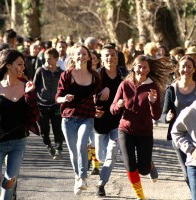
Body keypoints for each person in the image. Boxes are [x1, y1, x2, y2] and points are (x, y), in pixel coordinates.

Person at [110, 55, 171, 200]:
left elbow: (156, 116)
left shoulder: (152, 86)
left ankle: (148, 164)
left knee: (143, 169)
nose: (141, 70)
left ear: (149, 69)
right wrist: (118, 106)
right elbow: (112, 109)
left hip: (144, 132)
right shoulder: (125, 84)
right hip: (125, 130)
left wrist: (153, 102)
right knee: (130, 165)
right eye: (139, 66)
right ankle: (140, 196)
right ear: (133, 67)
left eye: (145, 67)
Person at [55, 45, 101, 195]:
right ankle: (77, 177)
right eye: (78, 54)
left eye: (83, 54)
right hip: (68, 118)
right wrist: (64, 98)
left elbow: (100, 94)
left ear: (88, 57)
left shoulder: (94, 76)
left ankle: (82, 177)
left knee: (82, 143)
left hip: (86, 117)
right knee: (73, 152)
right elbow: (58, 97)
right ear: (74, 57)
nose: (80, 56)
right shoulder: (67, 76)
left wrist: (105, 91)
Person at [0, 49, 39, 199]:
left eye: (23, 64)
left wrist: (30, 95)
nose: (23, 67)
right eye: (19, 64)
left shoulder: (27, 86)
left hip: (18, 142)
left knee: (9, 184)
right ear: (7, 65)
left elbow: (35, 116)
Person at [93, 44, 127, 196]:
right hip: (99, 122)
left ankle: (101, 184)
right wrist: (100, 92)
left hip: (118, 121)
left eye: (113, 54)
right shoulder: (96, 75)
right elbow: (86, 96)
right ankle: (102, 176)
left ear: (117, 57)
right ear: (102, 58)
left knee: (112, 152)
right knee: (101, 156)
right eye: (106, 55)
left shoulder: (124, 75)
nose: (110, 58)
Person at [161, 55, 196, 188]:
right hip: (179, 135)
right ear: (178, 69)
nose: (186, 69)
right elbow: (164, 113)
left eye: (189, 66)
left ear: (194, 69)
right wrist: (167, 117)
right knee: (188, 173)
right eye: (183, 66)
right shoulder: (172, 89)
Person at [33, 48, 64, 159]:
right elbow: (34, 87)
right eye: (45, 59)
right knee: (44, 129)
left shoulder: (61, 73)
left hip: (56, 105)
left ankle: (59, 148)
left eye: (49, 59)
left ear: (56, 59)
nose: (46, 61)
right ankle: (48, 144)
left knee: (57, 128)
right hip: (42, 105)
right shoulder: (40, 71)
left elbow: (64, 88)